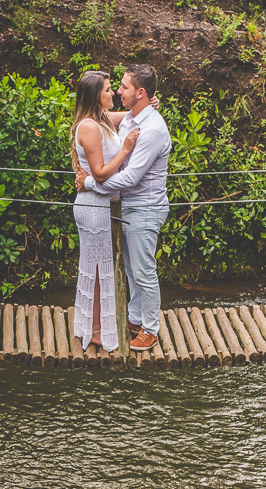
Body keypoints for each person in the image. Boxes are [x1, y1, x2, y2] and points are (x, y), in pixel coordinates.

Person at [76, 64, 171, 352]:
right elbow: (107, 122)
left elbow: (130, 177)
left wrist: (90, 183)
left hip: (145, 208)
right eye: (113, 87)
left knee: (144, 271)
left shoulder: (152, 129)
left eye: (124, 87)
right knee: (131, 270)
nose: (118, 91)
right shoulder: (131, 118)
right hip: (128, 207)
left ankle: (150, 329)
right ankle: (136, 318)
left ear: (139, 93)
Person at [70, 70, 141, 351]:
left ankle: (90, 325)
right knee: (97, 271)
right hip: (92, 207)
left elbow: (130, 117)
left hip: (99, 204)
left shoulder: (102, 119)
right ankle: (95, 331)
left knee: (98, 269)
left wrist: (145, 106)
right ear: (95, 95)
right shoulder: (89, 126)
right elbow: (99, 174)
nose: (113, 94)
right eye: (108, 90)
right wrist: (124, 150)